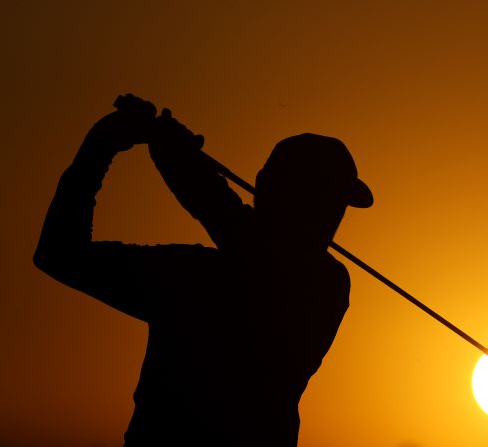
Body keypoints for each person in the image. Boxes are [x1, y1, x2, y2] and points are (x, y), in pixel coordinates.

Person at [33, 94, 373, 445]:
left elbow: (238, 230)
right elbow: (58, 254)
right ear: (276, 192)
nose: (331, 216)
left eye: (336, 204)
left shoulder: (323, 283)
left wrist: (112, 147)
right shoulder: (197, 275)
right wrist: (163, 157)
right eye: (320, 199)